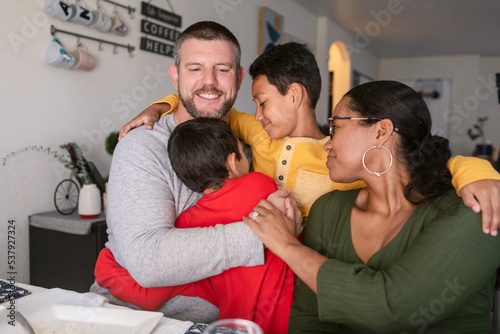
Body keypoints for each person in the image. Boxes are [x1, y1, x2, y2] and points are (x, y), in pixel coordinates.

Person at [121, 42, 500, 230]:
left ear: (296, 95)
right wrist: (162, 106)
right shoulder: (259, 133)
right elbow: (209, 103)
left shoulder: (341, 153)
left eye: (263, 102)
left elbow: (419, 160)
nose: (256, 114)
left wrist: (477, 171)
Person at [243, 80, 500, 333]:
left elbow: (391, 308)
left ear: (381, 131)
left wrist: (287, 245)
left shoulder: (474, 210)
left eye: (335, 127)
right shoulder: (328, 209)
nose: (327, 143)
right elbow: (309, 319)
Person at [90, 21, 265, 323]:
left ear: (238, 77)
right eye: (195, 68)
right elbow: (150, 260)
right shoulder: (143, 146)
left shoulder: (253, 147)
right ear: (176, 76)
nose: (208, 81)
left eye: (222, 69)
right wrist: (265, 235)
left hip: (225, 323)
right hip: (137, 319)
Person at [95, 118, 300, 333]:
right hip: (291, 316)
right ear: (232, 163)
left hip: (235, 325)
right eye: (243, 153)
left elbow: (150, 294)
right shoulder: (261, 184)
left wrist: (106, 266)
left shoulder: (187, 223)